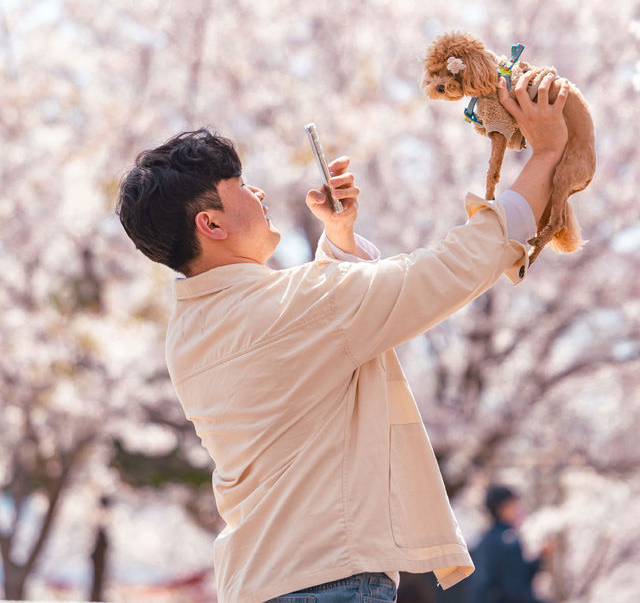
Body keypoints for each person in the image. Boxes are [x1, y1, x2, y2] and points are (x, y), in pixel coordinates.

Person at [116, 72, 569, 603]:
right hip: (331, 580)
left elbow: (306, 349)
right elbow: (452, 269)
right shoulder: (304, 305)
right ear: (211, 223)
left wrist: (340, 243)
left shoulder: (189, 335)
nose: (259, 193)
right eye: (241, 187)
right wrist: (546, 156)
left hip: (257, 582)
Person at [471, 485, 554, 603]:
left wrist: (540, 558)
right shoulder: (507, 539)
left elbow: (516, 573)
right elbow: (516, 589)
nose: (517, 509)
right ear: (502, 508)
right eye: (513, 505)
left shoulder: (488, 538)